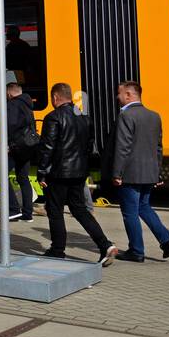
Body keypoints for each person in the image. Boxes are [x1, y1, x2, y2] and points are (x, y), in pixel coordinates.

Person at [37, 82, 117, 266]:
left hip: (58, 174)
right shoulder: (84, 118)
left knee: (55, 211)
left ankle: (57, 250)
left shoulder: (53, 117)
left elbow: (47, 148)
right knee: (80, 210)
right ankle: (105, 245)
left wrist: (42, 172)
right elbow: (89, 146)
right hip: (79, 173)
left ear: (55, 98)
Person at [110, 81, 169, 262]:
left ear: (129, 95)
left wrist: (117, 173)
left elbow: (122, 147)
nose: (118, 97)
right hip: (149, 172)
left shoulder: (126, 116)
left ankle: (136, 251)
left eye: (120, 93)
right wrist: (157, 172)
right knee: (144, 207)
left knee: (130, 212)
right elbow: (159, 148)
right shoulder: (154, 116)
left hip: (131, 173)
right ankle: (166, 241)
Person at [5, 82, 37, 220]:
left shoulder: (13, 104)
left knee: (0, 175)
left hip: (16, 147)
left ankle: (13, 209)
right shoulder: (27, 103)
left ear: (9, 93)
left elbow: (10, 125)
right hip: (28, 145)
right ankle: (27, 213)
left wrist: (7, 144)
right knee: (23, 178)